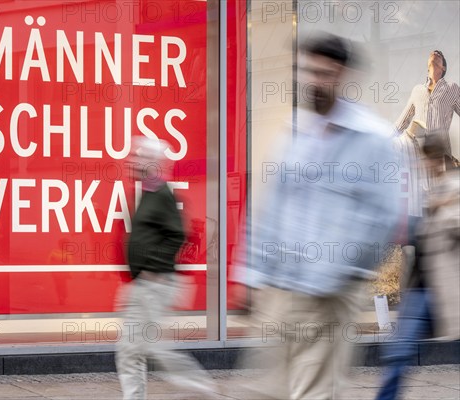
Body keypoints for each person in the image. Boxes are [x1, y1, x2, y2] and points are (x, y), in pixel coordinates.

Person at [231, 34, 401, 399]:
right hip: (282, 290)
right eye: (307, 71)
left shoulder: (371, 138)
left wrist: (339, 269)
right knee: (267, 389)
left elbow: (385, 218)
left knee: (313, 391)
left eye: (324, 73)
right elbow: (269, 209)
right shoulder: (294, 134)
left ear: (342, 75)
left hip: (329, 294)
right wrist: (252, 275)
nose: (313, 81)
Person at [114, 137, 216, 399]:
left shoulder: (162, 193)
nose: (132, 161)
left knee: (156, 347)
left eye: (138, 157)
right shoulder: (146, 193)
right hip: (143, 285)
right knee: (129, 348)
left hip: (155, 284)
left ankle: (200, 388)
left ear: (153, 163)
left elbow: (178, 234)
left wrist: (153, 268)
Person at [375, 135, 460, 400]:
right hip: (420, 286)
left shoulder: (454, 186)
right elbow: (420, 233)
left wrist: (441, 208)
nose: (422, 163)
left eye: (426, 158)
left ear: (437, 159)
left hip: (444, 287)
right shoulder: (430, 190)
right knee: (398, 352)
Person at [395, 50, 460, 160]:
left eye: (439, 55)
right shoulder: (417, 90)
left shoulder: (452, 88)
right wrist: (383, 140)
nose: (435, 53)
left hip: (442, 158)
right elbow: (401, 123)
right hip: (419, 158)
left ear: (443, 68)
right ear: (428, 67)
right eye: (432, 54)